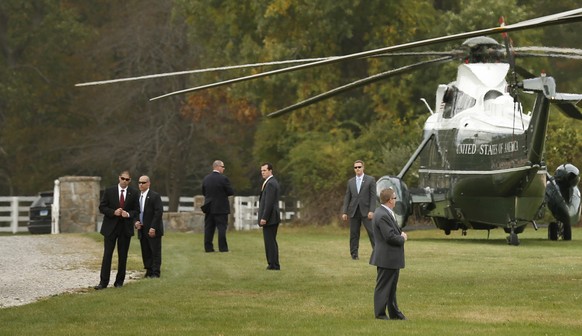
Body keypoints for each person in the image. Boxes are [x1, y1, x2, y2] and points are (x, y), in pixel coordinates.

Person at [94, 170, 140, 290]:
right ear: (119, 178)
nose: (125, 181)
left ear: (129, 181)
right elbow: (102, 207)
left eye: (127, 179)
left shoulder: (134, 193)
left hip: (125, 228)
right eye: (123, 178)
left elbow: (137, 210)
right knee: (107, 254)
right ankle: (103, 282)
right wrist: (113, 212)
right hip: (110, 228)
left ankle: (119, 282)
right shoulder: (109, 191)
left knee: (123, 256)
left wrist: (128, 214)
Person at [370, 188, 408, 320]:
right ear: (389, 200)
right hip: (386, 257)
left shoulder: (385, 213)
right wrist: (402, 238)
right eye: (394, 198)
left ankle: (395, 313)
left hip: (390, 257)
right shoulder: (382, 215)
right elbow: (389, 237)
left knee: (391, 288)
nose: (396, 200)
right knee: (383, 286)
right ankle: (380, 314)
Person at [341, 160, 376, 260]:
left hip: (366, 212)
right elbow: (347, 197)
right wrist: (344, 211)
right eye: (355, 167)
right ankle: (354, 255)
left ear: (363, 167)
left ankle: (377, 253)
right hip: (354, 211)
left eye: (359, 167)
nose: (357, 169)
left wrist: (371, 210)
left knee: (372, 233)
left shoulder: (370, 180)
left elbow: (373, 197)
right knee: (354, 234)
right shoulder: (350, 182)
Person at [134, 175, 164, 278]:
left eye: (143, 182)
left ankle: (156, 272)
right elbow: (136, 212)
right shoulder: (138, 196)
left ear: (148, 183)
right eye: (139, 182)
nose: (141, 185)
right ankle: (148, 270)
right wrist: (136, 222)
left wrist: (153, 227)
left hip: (152, 229)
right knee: (145, 251)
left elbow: (158, 212)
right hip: (142, 229)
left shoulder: (154, 196)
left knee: (155, 251)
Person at [201, 160, 235, 252]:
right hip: (221, 207)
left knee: (208, 228)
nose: (223, 169)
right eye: (223, 167)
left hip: (209, 207)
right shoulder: (223, 179)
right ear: (218, 167)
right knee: (221, 228)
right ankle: (223, 248)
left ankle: (208, 248)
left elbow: (204, 192)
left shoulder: (206, 178)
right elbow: (230, 192)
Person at [258, 162, 281, 270]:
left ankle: (273, 264)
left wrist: (264, 217)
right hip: (270, 217)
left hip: (271, 217)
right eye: (262, 171)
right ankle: (272, 263)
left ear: (270, 170)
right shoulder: (268, 182)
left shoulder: (271, 183)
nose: (262, 172)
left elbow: (269, 202)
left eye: (265, 170)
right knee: (269, 241)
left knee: (270, 241)